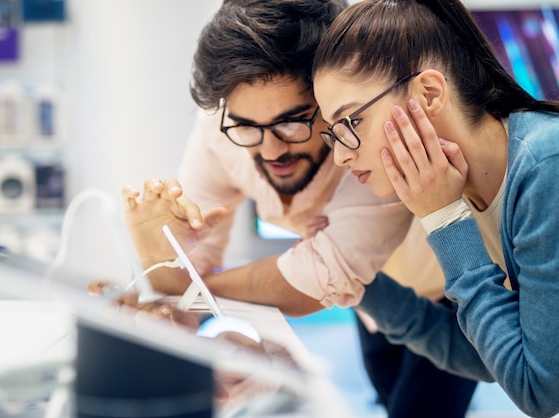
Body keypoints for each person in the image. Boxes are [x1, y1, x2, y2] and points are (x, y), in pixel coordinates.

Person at [119, 1, 477, 417]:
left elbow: (312, 282)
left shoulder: (371, 143)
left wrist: (196, 286)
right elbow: (183, 267)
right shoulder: (220, 127)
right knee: (385, 399)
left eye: (292, 122)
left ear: (331, 97)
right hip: (372, 298)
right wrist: (155, 252)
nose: (271, 149)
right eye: (248, 127)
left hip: (448, 288)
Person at [312, 0, 559, 417]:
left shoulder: (543, 165)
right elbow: (492, 356)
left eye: (351, 123)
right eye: (332, 134)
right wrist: (358, 282)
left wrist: (445, 219)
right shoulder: (462, 182)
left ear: (429, 94)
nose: (340, 156)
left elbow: (539, 390)